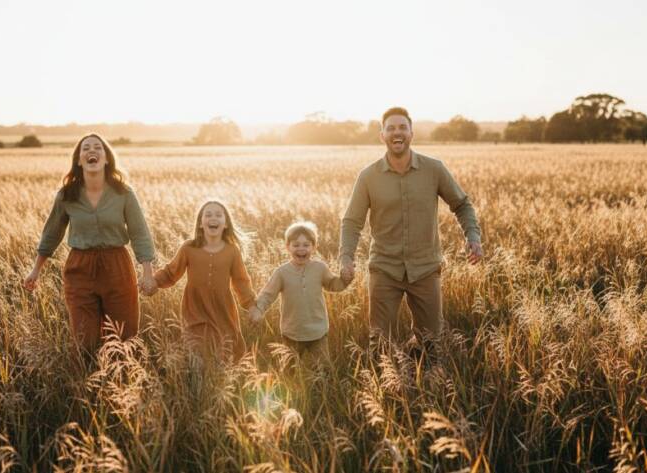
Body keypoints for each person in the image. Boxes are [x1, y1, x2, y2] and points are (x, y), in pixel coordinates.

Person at [339, 107, 483, 360]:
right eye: (391, 128)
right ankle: (388, 393)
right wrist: (346, 256)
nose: (397, 133)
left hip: (426, 268)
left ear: (411, 133)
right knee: (380, 343)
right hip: (384, 269)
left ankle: (430, 390)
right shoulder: (368, 176)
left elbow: (462, 204)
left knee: (433, 343)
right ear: (381, 135)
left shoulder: (434, 169)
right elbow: (352, 222)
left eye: (402, 127)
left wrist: (472, 236)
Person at [23, 133, 156, 352]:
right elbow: (51, 234)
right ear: (78, 159)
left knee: (124, 338)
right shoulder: (67, 195)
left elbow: (139, 232)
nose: (91, 151)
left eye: (98, 148)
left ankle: (123, 382)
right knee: (85, 340)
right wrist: (35, 270)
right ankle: (88, 381)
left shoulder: (124, 193)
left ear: (106, 158)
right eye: (86, 148)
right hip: (80, 268)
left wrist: (148, 272)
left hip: (117, 266)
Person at [145, 200, 255, 363]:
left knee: (225, 347)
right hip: (195, 308)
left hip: (223, 309)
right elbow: (171, 272)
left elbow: (241, 282)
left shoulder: (232, 251)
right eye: (208, 214)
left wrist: (252, 305)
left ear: (226, 224)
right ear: (200, 223)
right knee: (197, 346)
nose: (213, 218)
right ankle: (198, 381)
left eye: (219, 215)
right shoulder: (189, 248)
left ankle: (221, 381)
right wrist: (154, 282)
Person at [249, 221, 351, 366]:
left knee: (323, 370)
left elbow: (333, 285)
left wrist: (345, 280)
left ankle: (320, 388)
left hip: (318, 332)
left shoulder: (319, 268)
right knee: (289, 371)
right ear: (287, 247)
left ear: (314, 247)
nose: (301, 249)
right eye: (296, 245)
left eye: (306, 245)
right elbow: (268, 294)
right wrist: (258, 309)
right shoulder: (282, 272)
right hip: (292, 332)